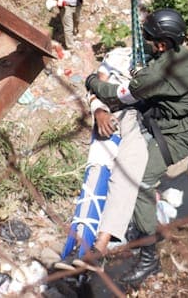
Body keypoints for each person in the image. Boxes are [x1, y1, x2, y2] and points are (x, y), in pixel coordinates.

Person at [85, 8, 188, 288]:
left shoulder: (158, 74)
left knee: (141, 183)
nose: (148, 43)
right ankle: (136, 227)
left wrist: (91, 81)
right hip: (167, 121)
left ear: (162, 44)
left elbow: (117, 94)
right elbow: (148, 66)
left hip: (175, 137)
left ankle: (149, 257)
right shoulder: (181, 55)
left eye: (151, 40)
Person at [54, 47, 148, 271]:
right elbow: (95, 86)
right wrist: (98, 111)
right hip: (111, 113)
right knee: (96, 174)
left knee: (125, 176)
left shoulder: (159, 63)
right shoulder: (119, 56)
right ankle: (76, 247)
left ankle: (99, 247)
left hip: (139, 120)